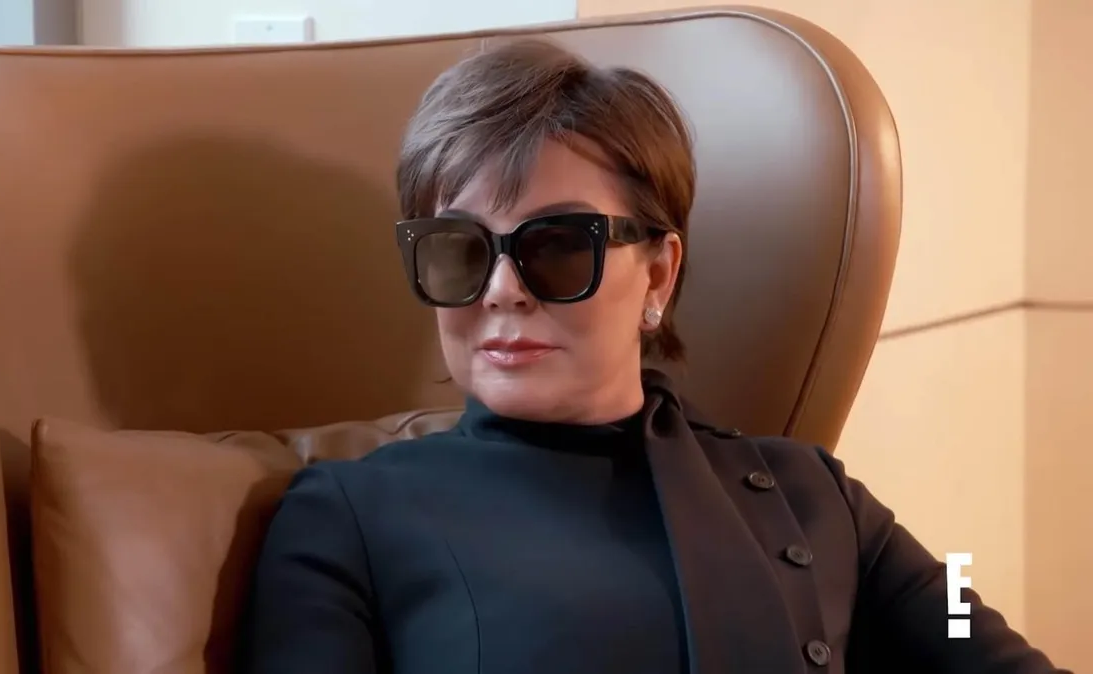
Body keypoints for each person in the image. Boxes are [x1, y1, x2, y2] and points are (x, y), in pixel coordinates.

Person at [246, 39, 1065, 674]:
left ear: (659, 273)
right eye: (458, 250)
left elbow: (972, 630)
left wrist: (964, 574)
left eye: (558, 245)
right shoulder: (347, 518)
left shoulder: (814, 496)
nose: (501, 290)